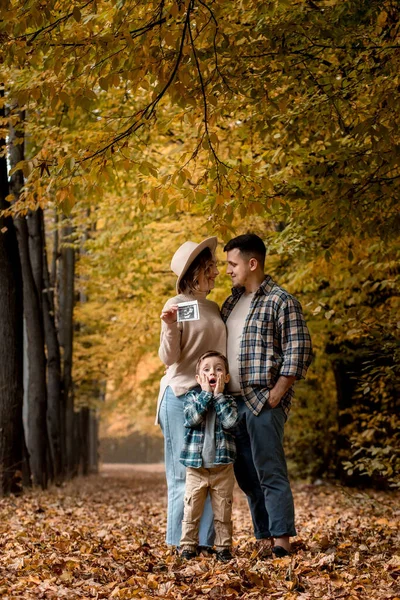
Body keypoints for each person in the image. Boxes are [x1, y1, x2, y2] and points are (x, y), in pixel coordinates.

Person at [221, 233, 312, 557]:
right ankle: (264, 536)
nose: (228, 270)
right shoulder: (230, 303)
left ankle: (281, 542)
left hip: (263, 402)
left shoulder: (280, 301)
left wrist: (277, 393)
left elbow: (298, 350)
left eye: (232, 263)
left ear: (252, 263)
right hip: (232, 405)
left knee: (270, 470)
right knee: (246, 475)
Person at [156, 237, 226, 552]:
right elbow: (169, 358)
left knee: (212, 473)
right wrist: (169, 326)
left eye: (214, 269)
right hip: (181, 395)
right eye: (209, 269)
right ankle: (178, 543)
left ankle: (205, 545)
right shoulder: (176, 305)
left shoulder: (213, 306)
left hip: (210, 398)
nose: (215, 275)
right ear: (194, 272)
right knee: (183, 476)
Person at [179, 351, 238, 562]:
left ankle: (223, 548)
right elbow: (192, 419)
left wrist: (219, 396)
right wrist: (205, 395)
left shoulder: (229, 401)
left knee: (223, 511)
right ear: (198, 378)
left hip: (222, 468)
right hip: (196, 468)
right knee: (191, 509)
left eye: (218, 369)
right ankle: (187, 546)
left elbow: (231, 423)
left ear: (226, 377)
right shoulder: (192, 397)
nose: (212, 372)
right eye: (206, 369)